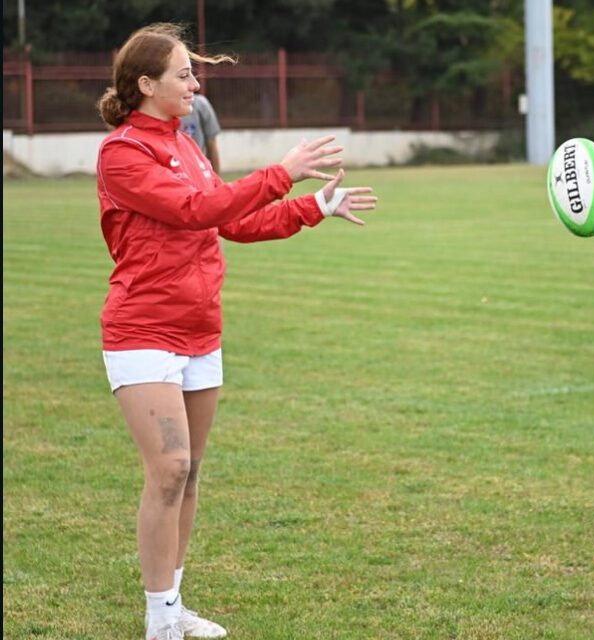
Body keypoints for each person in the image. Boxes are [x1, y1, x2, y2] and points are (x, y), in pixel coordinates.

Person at [95, 23, 377, 640]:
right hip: (143, 330)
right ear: (146, 84)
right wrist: (283, 173)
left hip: (201, 331)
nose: (195, 84)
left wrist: (315, 207)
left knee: (190, 472)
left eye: (193, 73)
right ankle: (158, 620)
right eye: (183, 74)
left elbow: (232, 222)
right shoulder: (122, 152)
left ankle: (174, 605)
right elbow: (195, 210)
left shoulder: (188, 146)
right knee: (169, 468)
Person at [180, 93, 222, 173]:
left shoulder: (200, 104)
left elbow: (212, 145)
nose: (195, 87)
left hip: (197, 172)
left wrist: (216, 178)